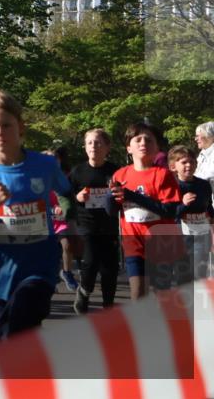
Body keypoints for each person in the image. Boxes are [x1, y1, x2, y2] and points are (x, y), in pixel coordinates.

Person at [0, 90, 73, 340]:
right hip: (0, 275)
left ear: (20, 127)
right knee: (11, 342)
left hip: (40, 270)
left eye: (6, 125)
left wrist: (68, 211)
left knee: (19, 326)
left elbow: (67, 194)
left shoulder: (45, 165)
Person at [109, 121, 182, 299]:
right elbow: (113, 210)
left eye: (149, 140)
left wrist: (132, 196)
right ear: (128, 148)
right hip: (133, 241)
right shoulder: (120, 175)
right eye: (138, 139)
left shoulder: (163, 175)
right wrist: (108, 199)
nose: (143, 143)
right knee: (138, 294)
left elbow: (169, 211)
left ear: (157, 148)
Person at [69, 128, 120, 314]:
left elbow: (123, 196)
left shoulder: (115, 171)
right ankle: (84, 291)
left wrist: (117, 195)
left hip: (109, 225)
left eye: (98, 143)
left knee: (110, 267)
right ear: (85, 147)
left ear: (107, 147)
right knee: (90, 261)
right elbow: (66, 196)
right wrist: (77, 197)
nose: (93, 146)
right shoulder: (78, 172)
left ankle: (108, 305)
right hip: (86, 224)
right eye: (90, 143)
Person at [167, 145, 212, 283]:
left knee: (200, 275)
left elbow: (209, 209)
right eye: (184, 162)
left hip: (201, 237)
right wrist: (183, 204)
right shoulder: (172, 186)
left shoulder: (203, 185)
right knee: (183, 277)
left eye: (192, 162)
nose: (189, 165)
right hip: (180, 238)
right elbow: (168, 213)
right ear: (173, 166)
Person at [43, 147, 82, 292]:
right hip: (45, 219)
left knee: (67, 245)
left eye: (55, 159)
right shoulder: (37, 179)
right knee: (49, 250)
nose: (52, 162)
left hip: (62, 219)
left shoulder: (65, 178)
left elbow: (70, 198)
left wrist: (66, 209)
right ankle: (49, 276)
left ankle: (67, 272)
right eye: (48, 159)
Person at [196, 122, 214, 186]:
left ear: (209, 136)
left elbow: (210, 175)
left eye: (198, 136)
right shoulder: (203, 153)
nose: (196, 139)